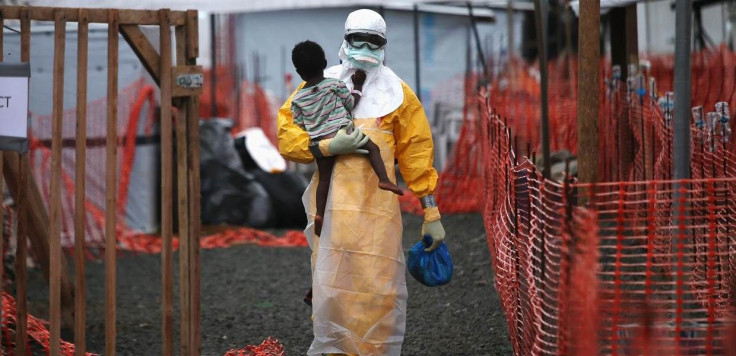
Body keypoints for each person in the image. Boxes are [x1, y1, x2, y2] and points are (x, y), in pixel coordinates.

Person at [277, 9, 446, 356]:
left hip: (377, 216)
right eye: (359, 39)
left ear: (384, 44)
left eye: (374, 41)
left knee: (379, 288)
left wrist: (431, 212)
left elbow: (416, 152)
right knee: (333, 285)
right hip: (332, 212)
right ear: (345, 39)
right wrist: (324, 146)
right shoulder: (317, 85)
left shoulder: (398, 95)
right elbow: (288, 135)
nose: (366, 47)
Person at [289, 40, 403, 237]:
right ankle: (384, 179)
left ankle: (319, 214)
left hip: (321, 141)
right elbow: (351, 103)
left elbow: (298, 122)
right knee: (372, 149)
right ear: (324, 63)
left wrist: (316, 126)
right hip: (344, 132)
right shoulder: (334, 85)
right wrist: (357, 85)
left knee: (324, 179)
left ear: (299, 71)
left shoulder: (298, 98)